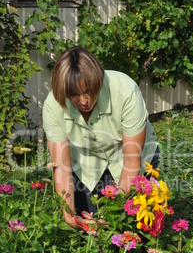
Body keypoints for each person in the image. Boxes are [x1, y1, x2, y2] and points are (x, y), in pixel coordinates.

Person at [42, 46, 159, 230]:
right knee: (87, 226)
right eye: (74, 94)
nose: (84, 100)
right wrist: (69, 215)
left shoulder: (125, 91)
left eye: (88, 90)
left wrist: (114, 209)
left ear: (99, 79)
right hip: (87, 162)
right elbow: (62, 168)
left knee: (137, 225)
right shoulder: (53, 106)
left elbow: (131, 162)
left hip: (132, 156)